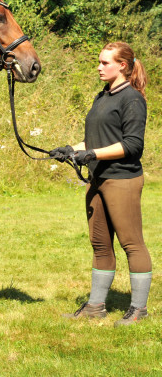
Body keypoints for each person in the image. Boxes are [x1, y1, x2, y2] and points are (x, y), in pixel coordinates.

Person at [50, 41, 151, 326]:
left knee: (132, 244)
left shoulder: (131, 99)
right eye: (99, 61)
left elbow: (132, 145)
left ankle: (139, 310)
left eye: (105, 62)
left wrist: (91, 154)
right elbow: (96, 142)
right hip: (97, 179)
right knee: (100, 244)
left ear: (122, 65)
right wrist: (71, 149)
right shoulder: (102, 96)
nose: (99, 67)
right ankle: (95, 306)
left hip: (122, 180)